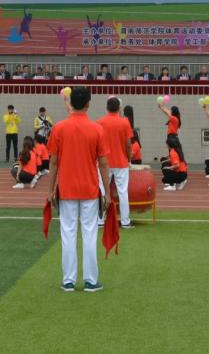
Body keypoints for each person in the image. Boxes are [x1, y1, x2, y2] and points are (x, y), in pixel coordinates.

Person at [45, 86, 110, 292]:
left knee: (68, 233)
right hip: (89, 188)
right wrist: (108, 194)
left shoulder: (59, 128)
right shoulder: (97, 129)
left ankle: (68, 280)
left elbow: (53, 162)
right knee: (89, 234)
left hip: (67, 189)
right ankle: (90, 280)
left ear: (71, 102)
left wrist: (50, 191)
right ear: (88, 104)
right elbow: (103, 164)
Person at [98, 97, 134, 229]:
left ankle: (100, 220)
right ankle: (125, 221)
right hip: (121, 162)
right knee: (123, 192)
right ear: (119, 108)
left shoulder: (100, 122)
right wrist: (129, 158)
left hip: (104, 162)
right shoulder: (125, 122)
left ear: (107, 107)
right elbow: (128, 144)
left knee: (101, 190)